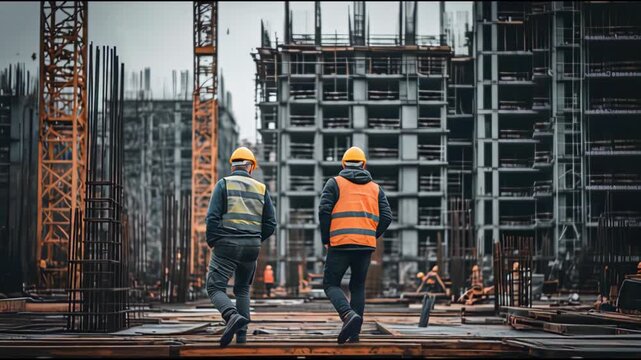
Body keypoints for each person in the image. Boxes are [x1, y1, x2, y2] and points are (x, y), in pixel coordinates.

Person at [319, 146, 393, 344]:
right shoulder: (375, 188)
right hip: (364, 245)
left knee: (330, 284)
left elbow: (324, 212)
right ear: (364, 164)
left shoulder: (335, 183)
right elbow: (387, 217)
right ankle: (354, 333)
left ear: (343, 164)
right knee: (357, 286)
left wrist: (326, 239)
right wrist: (370, 235)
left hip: (340, 243)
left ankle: (347, 315)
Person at [205, 147, 277, 347]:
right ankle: (242, 337)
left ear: (232, 165)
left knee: (214, 286)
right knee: (243, 289)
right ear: (251, 166)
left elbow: (212, 217)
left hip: (226, 244)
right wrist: (254, 238)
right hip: (251, 247)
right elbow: (271, 223)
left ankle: (230, 315)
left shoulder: (223, 184)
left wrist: (213, 241)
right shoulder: (261, 188)